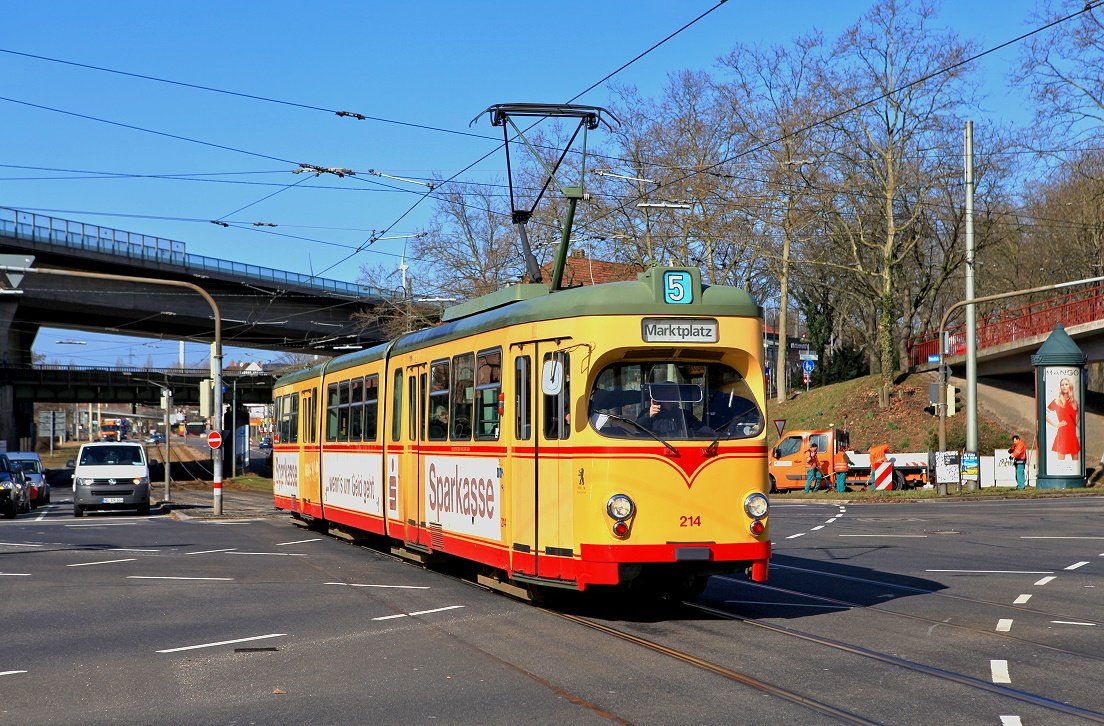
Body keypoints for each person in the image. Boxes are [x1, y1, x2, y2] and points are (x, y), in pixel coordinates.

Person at [636, 383, 709, 436]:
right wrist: (648, 416)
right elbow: (637, 429)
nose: (674, 396)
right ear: (662, 396)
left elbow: (702, 428)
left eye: (675, 393)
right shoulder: (649, 413)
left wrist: (718, 436)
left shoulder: (685, 414)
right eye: (669, 393)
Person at [1045, 377, 1080, 460]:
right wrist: (1056, 425)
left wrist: (1075, 423)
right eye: (1062, 385)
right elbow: (1043, 414)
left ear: (1070, 386)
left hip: (1072, 434)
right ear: (1060, 387)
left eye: (1066, 384)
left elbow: (1078, 414)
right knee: (1061, 461)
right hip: (1062, 433)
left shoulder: (1074, 402)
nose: (1064, 386)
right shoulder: (1056, 401)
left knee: (1075, 461)